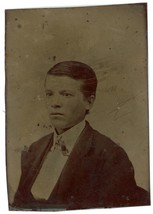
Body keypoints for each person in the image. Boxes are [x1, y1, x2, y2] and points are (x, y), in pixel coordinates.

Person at [11, 61, 150, 210]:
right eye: (49, 94)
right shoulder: (35, 149)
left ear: (89, 102)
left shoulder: (110, 156)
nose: (55, 103)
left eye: (66, 94)